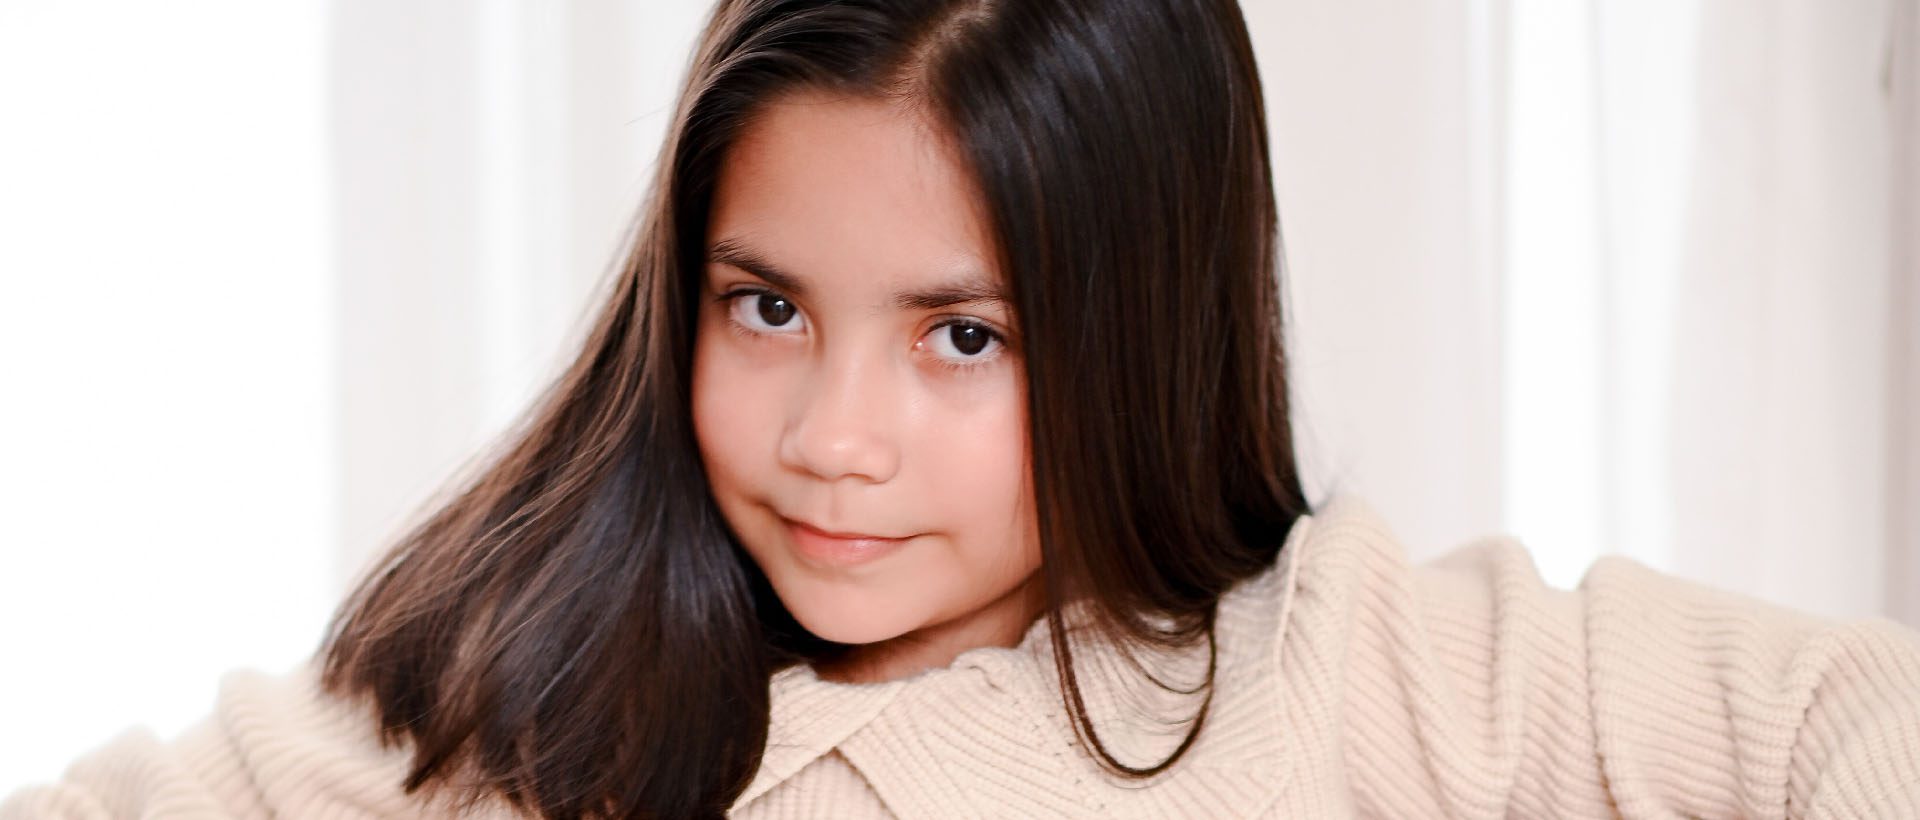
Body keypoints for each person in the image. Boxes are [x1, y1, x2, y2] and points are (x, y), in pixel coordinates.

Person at [8, 0, 1920, 817]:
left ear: (1143, 332)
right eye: (767, 307)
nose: (834, 437)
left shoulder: (1343, 671)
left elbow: (1858, 715)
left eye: (964, 339)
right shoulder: (525, 711)